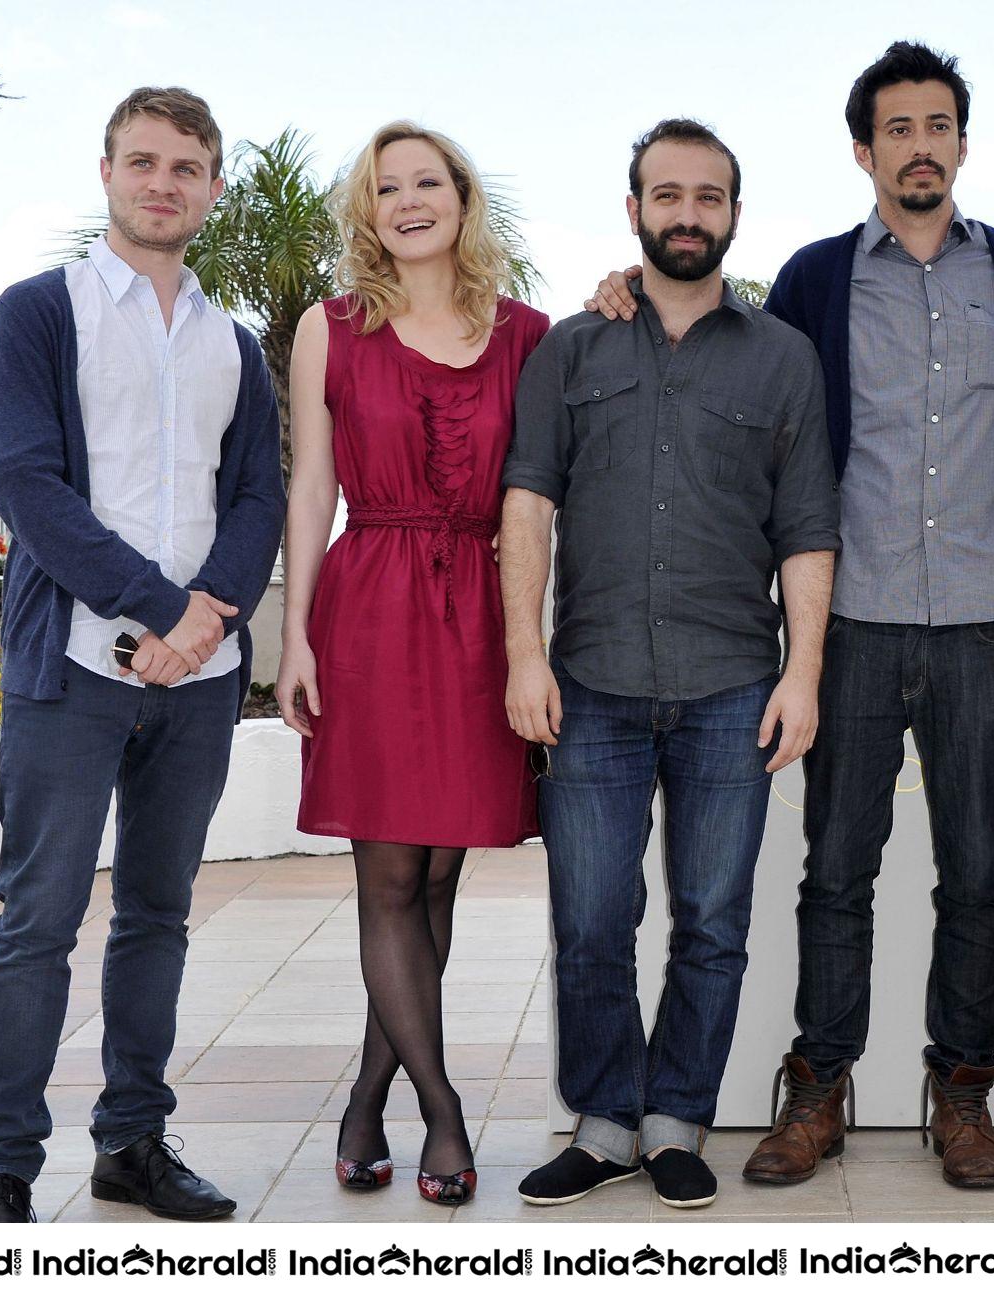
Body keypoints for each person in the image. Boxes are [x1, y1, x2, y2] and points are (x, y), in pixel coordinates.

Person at [589, 41, 994, 1191]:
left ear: (963, 141)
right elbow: (717, 345)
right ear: (864, 151)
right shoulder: (815, 278)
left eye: (939, 125)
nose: (921, 146)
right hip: (851, 625)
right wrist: (613, 293)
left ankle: (963, 1089)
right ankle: (819, 1084)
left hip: (980, 623)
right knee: (835, 870)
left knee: (976, 870)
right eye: (897, 129)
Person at [502, 118, 839, 1210]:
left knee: (713, 920)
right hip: (589, 678)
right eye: (667, 194)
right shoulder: (572, 346)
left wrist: (804, 674)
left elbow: (808, 530)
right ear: (634, 208)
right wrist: (524, 655)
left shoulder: (783, 355)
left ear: (734, 215)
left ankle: (676, 1119)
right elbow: (528, 504)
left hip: (734, 681)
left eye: (709, 196)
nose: (687, 213)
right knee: (593, 917)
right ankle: (604, 1123)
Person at [0, 87, 284, 1223]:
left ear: (210, 187)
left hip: (195, 688)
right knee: (38, 919)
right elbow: (30, 487)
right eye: (144, 162)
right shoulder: (37, 314)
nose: (165, 183)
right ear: (106, 172)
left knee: (158, 914)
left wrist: (213, 618)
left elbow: (257, 493)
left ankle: (132, 1144)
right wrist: (166, 611)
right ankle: (4, 1166)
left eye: (187, 166)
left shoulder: (231, 343)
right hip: (74, 672)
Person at [277, 122, 548, 1208]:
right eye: (386, 188)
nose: (407, 201)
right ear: (369, 211)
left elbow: (543, 489)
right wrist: (292, 633)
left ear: (462, 197)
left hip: (482, 613)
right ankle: (441, 1112)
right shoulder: (329, 329)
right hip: (373, 607)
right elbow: (309, 488)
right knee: (389, 873)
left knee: (439, 874)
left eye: (426, 181)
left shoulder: (529, 332)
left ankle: (362, 1099)